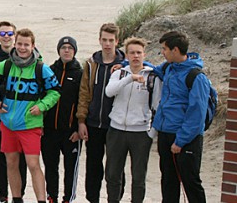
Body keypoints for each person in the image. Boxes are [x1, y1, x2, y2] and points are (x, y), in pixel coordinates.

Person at [0, 28, 61, 203]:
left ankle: (41, 200)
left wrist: (42, 106)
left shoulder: (41, 68)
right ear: (15, 43)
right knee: (11, 163)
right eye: (19, 43)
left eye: (26, 44)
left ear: (33, 46)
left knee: (33, 165)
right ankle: (17, 199)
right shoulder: (6, 65)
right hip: (8, 123)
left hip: (30, 125)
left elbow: (55, 91)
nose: (22, 48)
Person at [153, 31, 208, 202]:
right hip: (165, 133)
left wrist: (181, 141)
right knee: (168, 182)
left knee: (191, 183)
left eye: (164, 49)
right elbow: (154, 70)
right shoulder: (169, 68)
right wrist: (126, 64)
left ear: (175, 50)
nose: (162, 52)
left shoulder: (196, 77)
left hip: (185, 139)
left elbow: (197, 114)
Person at [104, 37, 161, 203]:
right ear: (126, 55)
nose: (135, 56)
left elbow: (158, 105)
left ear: (144, 54)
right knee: (113, 174)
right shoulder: (119, 73)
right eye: (132, 53)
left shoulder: (152, 77)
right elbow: (109, 91)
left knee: (138, 177)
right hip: (117, 130)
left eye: (138, 53)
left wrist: (152, 132)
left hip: (141, 132)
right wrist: (130, 78)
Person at [76, 23, 126, 203]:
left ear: (117, 41)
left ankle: (115, 199)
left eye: (111, 40)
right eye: (104, 40)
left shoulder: (124, 64)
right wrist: (81, 121)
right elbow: (84, 93)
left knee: (115, 168)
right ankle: (92, 199)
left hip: (116, 125)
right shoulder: (91, 64)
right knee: (93, 166)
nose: (107, 44)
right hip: (93, 123)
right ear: (99, 40)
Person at [0, 21, 26, 203]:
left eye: (10, 34)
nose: (6, 37)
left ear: (15, 37)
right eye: (3, 34)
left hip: (22, 116)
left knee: (21, 157)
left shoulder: (29, 57)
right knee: (0, 155)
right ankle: (2, 192)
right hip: (0, 113)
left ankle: (19, 194)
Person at [41, 36, 82, 203]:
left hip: (70, 132)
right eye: (63, 47)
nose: (67, 50)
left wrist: (78, 128)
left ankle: (68, 199)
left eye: (70, 48)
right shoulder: (49, 71)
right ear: (59, 50)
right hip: (49, 130)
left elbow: (83, 102)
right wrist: (41, 124)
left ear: (74, 51)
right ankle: (52, 196)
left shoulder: (80, 73)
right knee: (51, 167)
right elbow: (42, 97)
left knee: (70, 168)